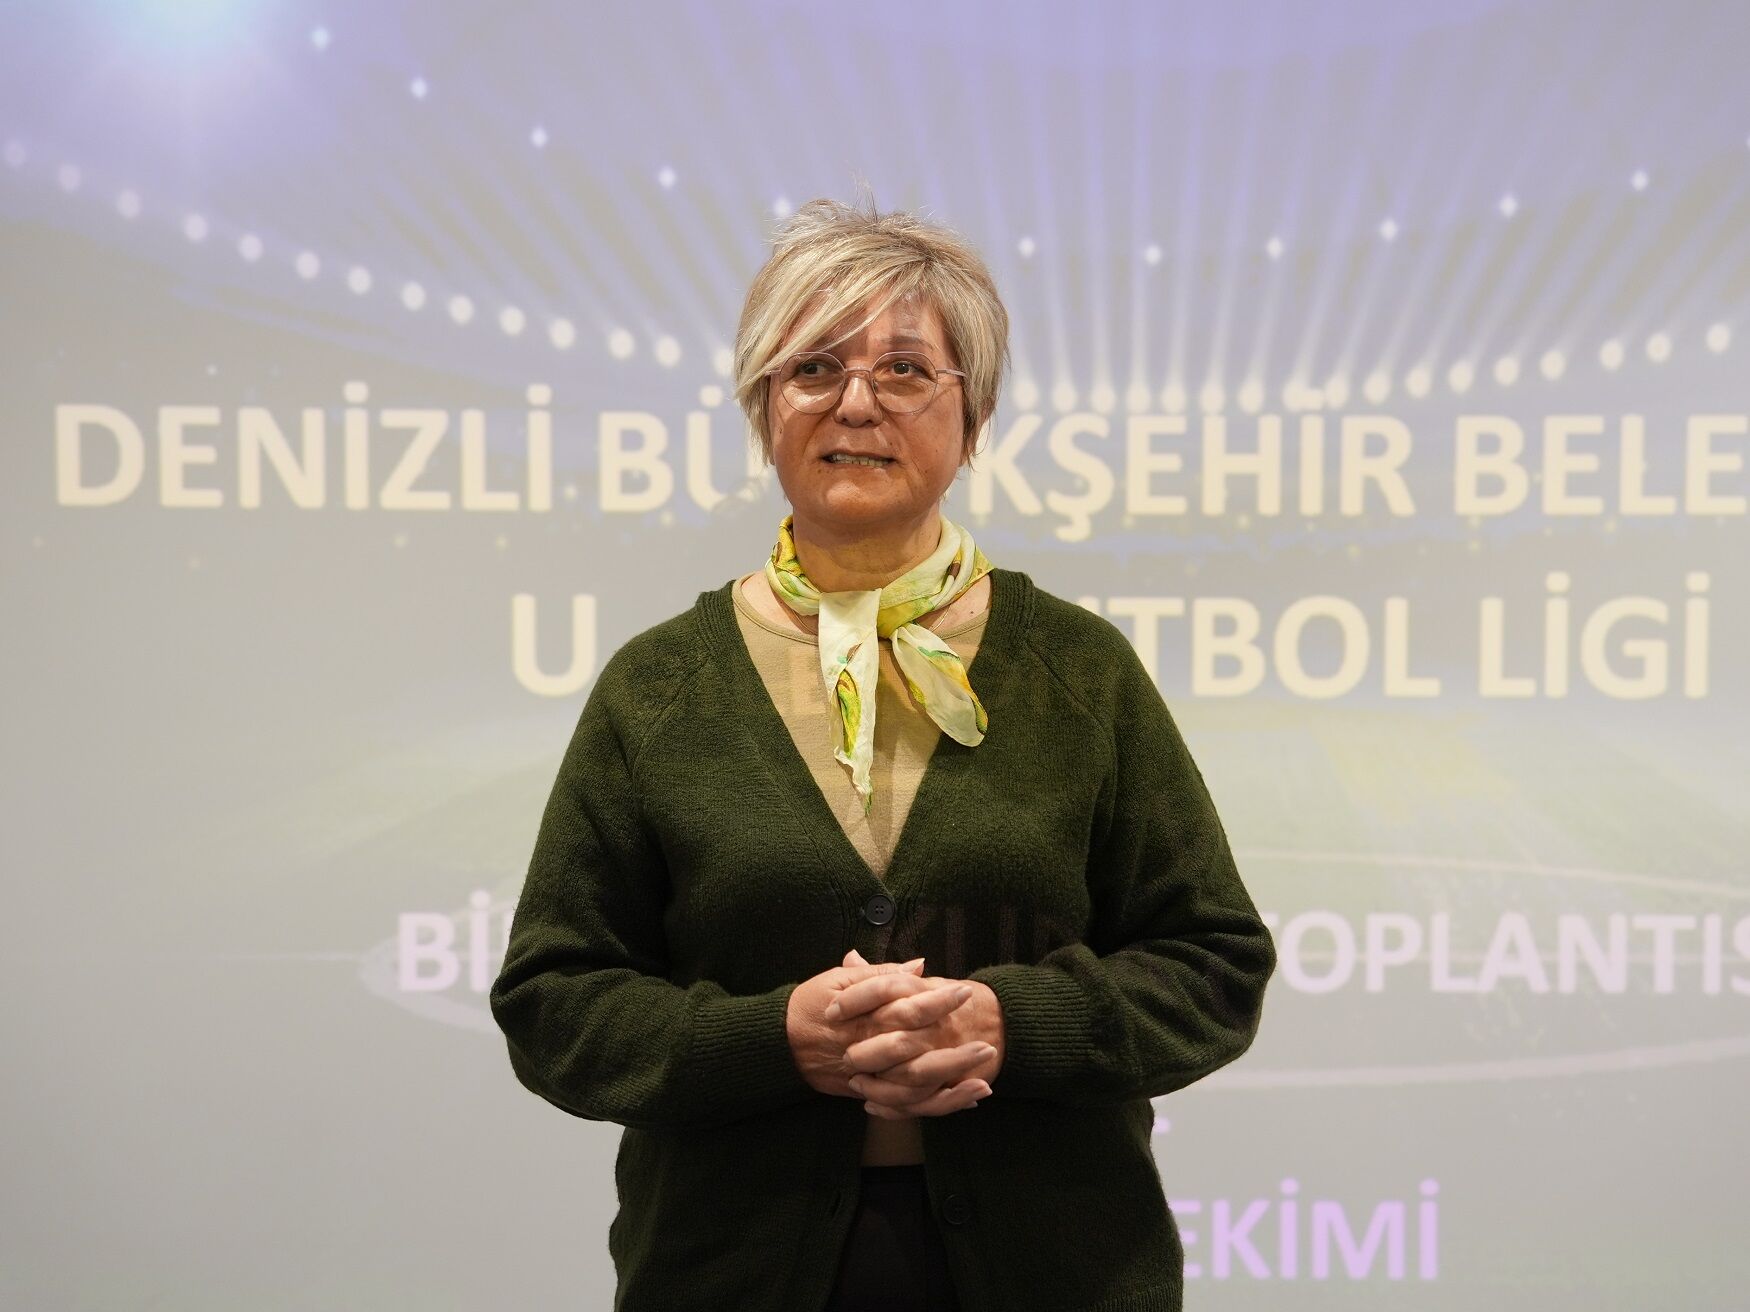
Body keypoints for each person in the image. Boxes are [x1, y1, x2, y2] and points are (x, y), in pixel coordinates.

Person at [489, 195, 1277, 1312]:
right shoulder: (657, 686)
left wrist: (1013, 1026)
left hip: (1056, 1272)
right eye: (812, 367)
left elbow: (1213, 964)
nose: (855, 400)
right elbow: (554, 999)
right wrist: (770, 1041)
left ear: (974, 415)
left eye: (905, 369)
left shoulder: (1078, 670)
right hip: (728, 1273)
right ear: (764, 406)